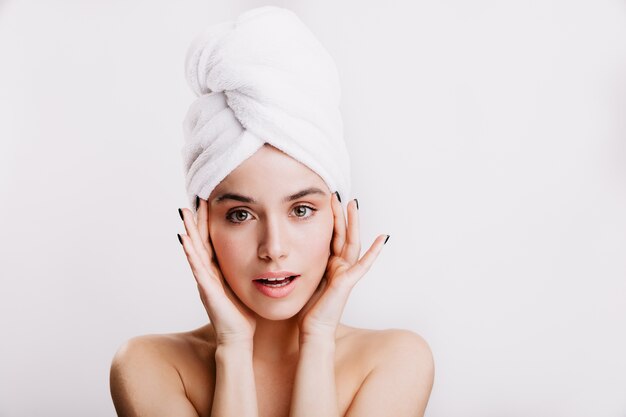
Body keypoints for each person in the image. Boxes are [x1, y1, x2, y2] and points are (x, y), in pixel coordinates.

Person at [109, 6, 434, 417]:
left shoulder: (395, 360)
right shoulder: (150, 365)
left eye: (301, 209)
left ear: (338, 217)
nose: (274, 248)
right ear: (201, 226)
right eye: (240, 215)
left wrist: (318, 340)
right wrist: (233, 348)